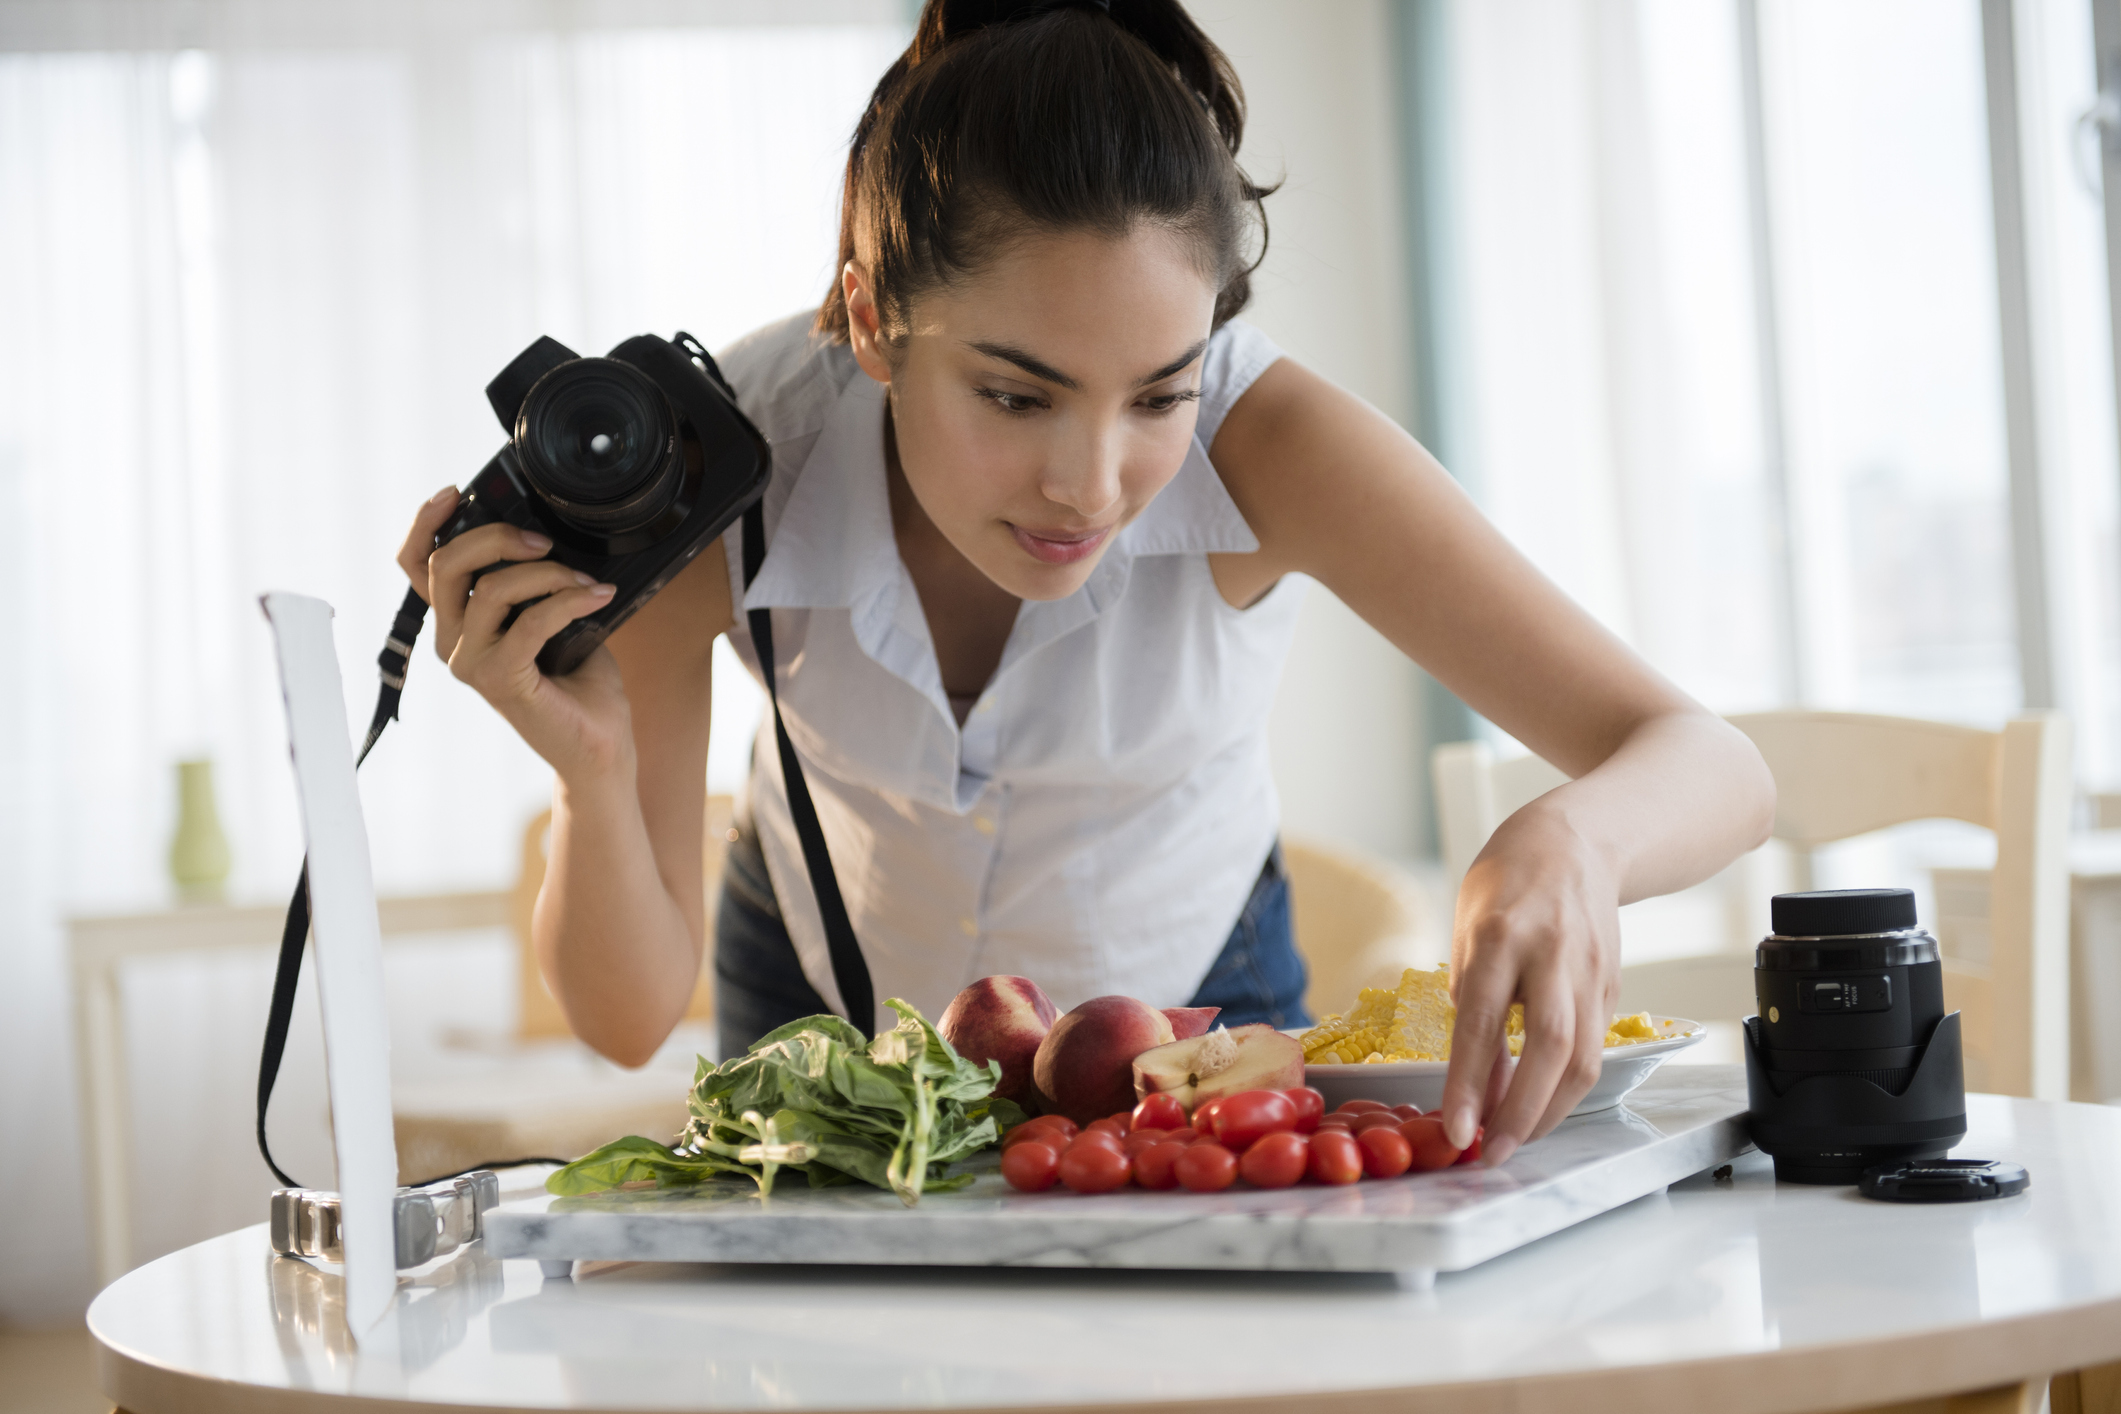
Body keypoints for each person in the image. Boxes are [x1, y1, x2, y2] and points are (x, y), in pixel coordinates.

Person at [397, 0, 1774, 1168]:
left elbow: (1711, 763)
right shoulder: (729, 455)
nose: (1091, 481)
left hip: (1196, 1002)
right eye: (1014, 393)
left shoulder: (1269, 441)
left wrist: (1571, 839)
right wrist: (588, 772)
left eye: (1157, 392)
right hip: (828, 998)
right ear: (872, 316)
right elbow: (626, 1017)